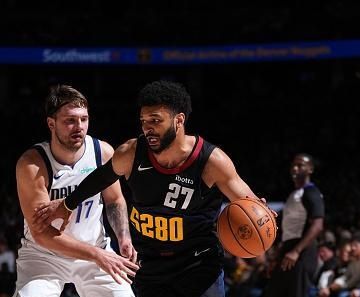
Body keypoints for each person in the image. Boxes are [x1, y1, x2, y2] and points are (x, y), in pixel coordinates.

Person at [33, 80, 274, 297]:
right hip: (151, 265)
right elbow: (100, 178)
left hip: (198, 264)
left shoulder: (211, 161)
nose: (148, 128)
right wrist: (67, 204)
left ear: (179, 120)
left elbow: (247, 201)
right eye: (144, 121)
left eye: (156, 121)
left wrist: (260, 213)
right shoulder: (131, 153)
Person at [13, 85, 138, 297]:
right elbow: (42, 234)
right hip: (44, 256)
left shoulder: (102, 152)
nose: (78, 126)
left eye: (84, 119)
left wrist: (124, 237)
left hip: (95, 250)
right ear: (51, 124)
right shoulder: (32, 165)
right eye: (70, 120)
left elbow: (115, 200)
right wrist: (97, 255)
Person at [266, 153, 325, 297]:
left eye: (300, 165)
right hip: (288, 249)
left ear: (310, 169)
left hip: (302, 253)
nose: (295, 168)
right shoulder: (293, 195)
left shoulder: (312, 192)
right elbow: (287, 229)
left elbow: (318, 225)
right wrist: (277, 255)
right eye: (293, 165)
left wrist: (296, 251)